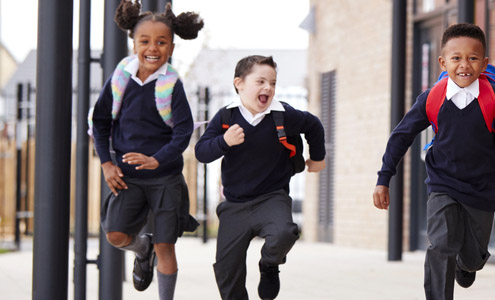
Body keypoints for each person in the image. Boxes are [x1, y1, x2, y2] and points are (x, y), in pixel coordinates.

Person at [372, 23, 495, 300]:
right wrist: (383, 178)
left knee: (472, 257)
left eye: (473, 58)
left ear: (484, 63)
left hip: (483, 188)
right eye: (456, 58)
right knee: (440, 245)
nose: (464, 65)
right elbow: (401, 136)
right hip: (442, 182)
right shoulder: (432, 98)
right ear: (443, 61)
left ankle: (465, 264)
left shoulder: (494, 100)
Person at [90, 1, 203, 298]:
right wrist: (106, 163)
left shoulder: (171, 85)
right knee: (115, 235)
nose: (153, 48)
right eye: (145, 41)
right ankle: (143, 251)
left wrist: (157, 159)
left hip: (164, 178)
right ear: (134, 43)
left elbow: (182, 132)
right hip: (127, 176)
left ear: (172, 48)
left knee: (165, 244)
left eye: (161, 42)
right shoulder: (120, 78)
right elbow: (100, 121)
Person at [195, 55, 327, 300]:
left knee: (284, 233)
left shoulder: (283, 114)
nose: (268, 88)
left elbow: (314, 125)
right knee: (226, 271)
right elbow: (201, 153)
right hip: (234, 205)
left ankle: (269, 265)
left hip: (272, 198)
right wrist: (224, 142)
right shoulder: (226, 118)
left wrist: (317, 158)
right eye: (261, 81)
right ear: (239, 83)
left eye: (273, 83)